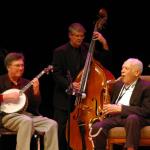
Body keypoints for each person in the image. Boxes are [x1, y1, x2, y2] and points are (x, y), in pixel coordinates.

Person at [51, 22, 111, 150]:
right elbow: (56, 74)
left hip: (84, 100)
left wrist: (103, 42)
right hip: (64, 99)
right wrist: (70, 84)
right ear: (70, 36)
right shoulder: (60, 51)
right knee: (61, 132)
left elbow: (104, 60)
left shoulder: (87, 48)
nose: (80, 38)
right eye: (77, 36)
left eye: (82, 36)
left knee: (81, 132)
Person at [0, 52, 59, 150]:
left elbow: (34, 106)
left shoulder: (27, 83)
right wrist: (5, 97)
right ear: (8, 67)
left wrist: (36, 92)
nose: (21, 68)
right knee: (26, 121)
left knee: (52, 124)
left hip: (26, 115)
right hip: (7, 116)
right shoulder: (1, 81)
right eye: (17, 65)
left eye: (22, 65)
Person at [90, 58, 150, 150]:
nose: (122, 71)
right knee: (96, 126)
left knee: (132, 118)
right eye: (122, 68)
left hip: (136, 118)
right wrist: (109, 109)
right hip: (116, 117)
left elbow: (146, 111)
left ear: (137, 72)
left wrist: (121, 109)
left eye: (126, 69)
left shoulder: (146, 87)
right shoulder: (118, 85)